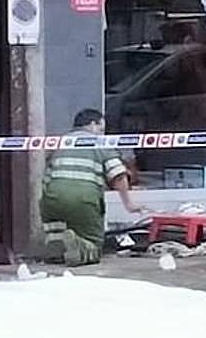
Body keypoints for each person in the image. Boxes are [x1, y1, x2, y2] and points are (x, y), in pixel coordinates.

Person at [41, 109, 142, 266]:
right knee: (93, 243)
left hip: (53, 199)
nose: (102, 134)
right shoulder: (99, 143)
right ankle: (82, 250)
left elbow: (46, 178)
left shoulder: (60, 142)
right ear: (93, 124)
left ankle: (58, 251)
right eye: (101, 129)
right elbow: (118, 175)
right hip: (84, 198)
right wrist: (129, 204)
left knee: (58, 233)